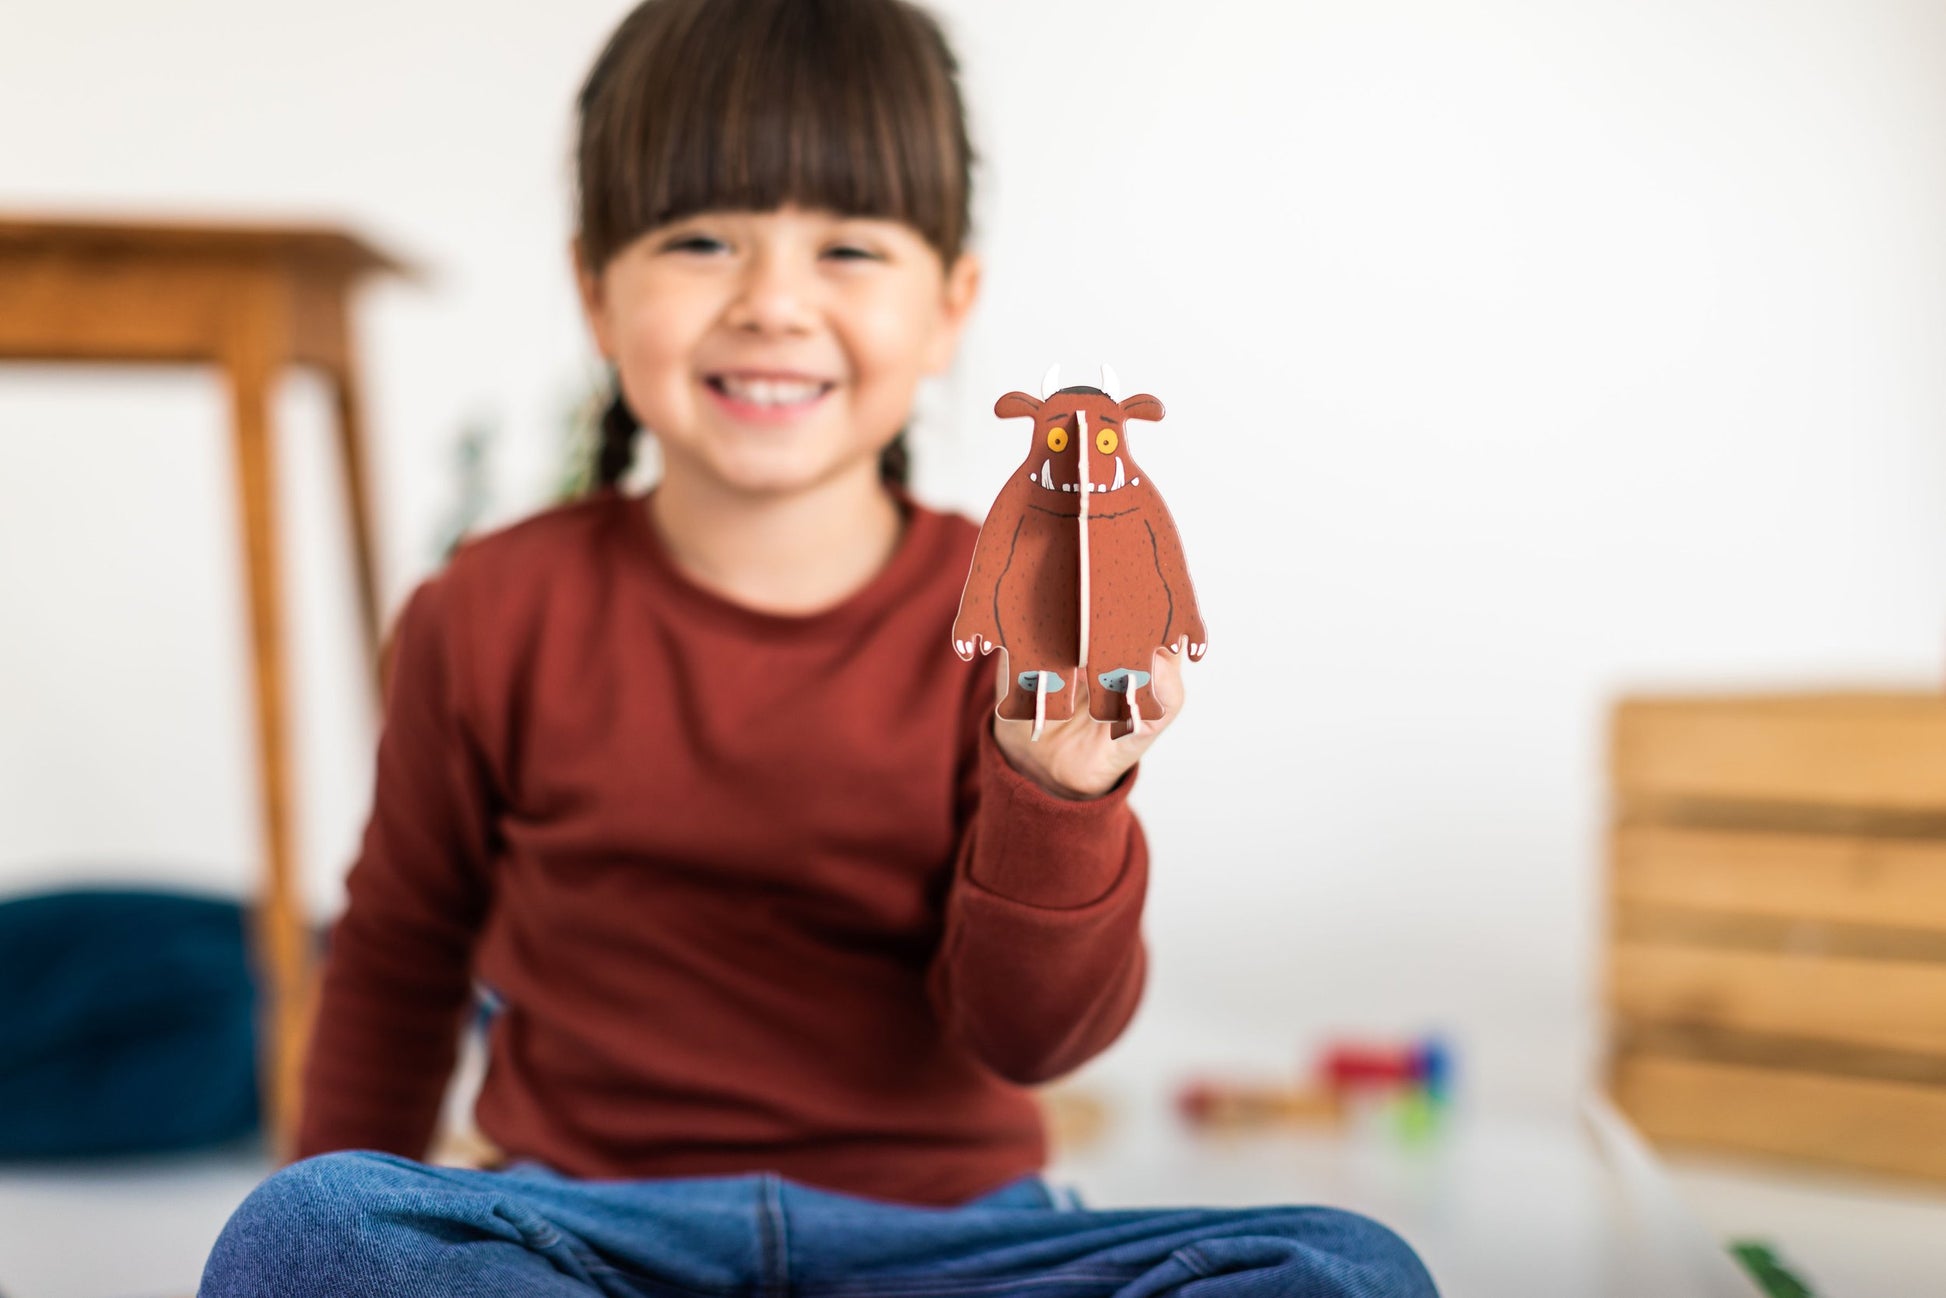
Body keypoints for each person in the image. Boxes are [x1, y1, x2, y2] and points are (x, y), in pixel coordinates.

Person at [199, 0, 1438, 1293]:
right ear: (593, 290)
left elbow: (1034, 1039)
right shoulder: (485, 609)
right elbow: (399, 957)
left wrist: (1057, 793)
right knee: (306, 1227)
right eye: (700, 240)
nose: (772, 304)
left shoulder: (1012, 621)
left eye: (847, 248)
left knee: (1342, 1266)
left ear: (950, 304)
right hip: (596, 1239)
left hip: (957, 1247)